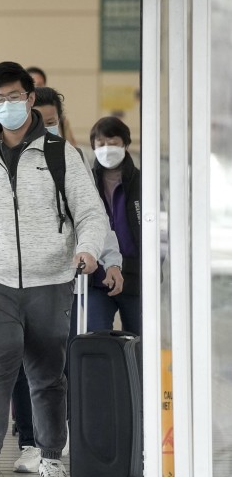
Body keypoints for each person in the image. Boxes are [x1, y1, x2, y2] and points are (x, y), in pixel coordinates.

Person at [0, 62, 108, 477]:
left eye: (14, 97)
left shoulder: (60, 154)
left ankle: (51, 459)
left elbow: (90, 212)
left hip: (50, 281)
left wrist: (88, 249)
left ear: (31, 99)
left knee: (47, 375)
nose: (7, 105)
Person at [9, 87, 125, 473]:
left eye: (51, 121)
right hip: (20, 279)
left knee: (62, 361)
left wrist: (110, 260)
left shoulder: (70, 159)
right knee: (26, 361)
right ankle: (30, 441)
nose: (45, 128)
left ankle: (59, 439)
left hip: (65, 280)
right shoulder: (8, 159)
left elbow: (94, 216)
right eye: (38, 120)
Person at [87, 116, 141, 334]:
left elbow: (161, 233)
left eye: (113, 142)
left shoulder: (143, 182)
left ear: (125, 144)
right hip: (96, 278)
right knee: (96, 338)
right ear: (93, 146)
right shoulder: (87, 182)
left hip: (136, 277)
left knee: (139, 340)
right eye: (101, 143)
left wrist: (149, 268)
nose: (107, 148)